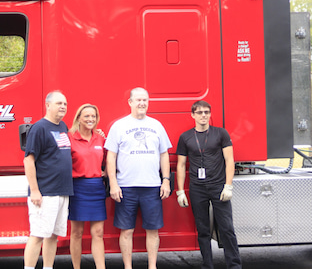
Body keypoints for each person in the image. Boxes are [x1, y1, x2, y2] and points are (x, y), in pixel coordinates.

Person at [104, 87, 172, 269]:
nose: (142, 103)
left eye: (145, 100)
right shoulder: (119, 126)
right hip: (126, 187)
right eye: (139, 100)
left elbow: (164, 154)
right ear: (130, 102)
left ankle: (152, 266)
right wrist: (113, 183)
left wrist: (165, 180)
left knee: (153, 230)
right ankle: (128, 266)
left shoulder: (157, 125)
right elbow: (111, 156)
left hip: (152, 187)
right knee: (126, 231)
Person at [175, 100, 241, 269]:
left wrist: (228, 186)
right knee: (203, 230)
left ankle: (234, 265)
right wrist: (180, 191)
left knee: (226, 228)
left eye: (206, 112)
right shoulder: (186, 137)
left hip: (219, 187)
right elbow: (181, 165)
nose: (203, 115)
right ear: (193, 115)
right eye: (199, 112)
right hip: (198, 189)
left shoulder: (221, 134)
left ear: (210, 114)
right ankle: (207, 265)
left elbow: (229, 160)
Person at [23, 91, 74, 269]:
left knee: (53, 235)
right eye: (59, 103)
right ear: (48, 105)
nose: (63, 107)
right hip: (45, 192)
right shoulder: (39, 128)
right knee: (37, 234)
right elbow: (28, 160)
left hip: (62, 191)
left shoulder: (62, 127)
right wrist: (35, 190)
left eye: (65, 104)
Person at [68, 103, 107, 269]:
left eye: (93, 116)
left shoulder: (101, 138)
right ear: (78, 118)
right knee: (76, 233)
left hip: (96, 187)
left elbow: (109, 161)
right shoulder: (70, 137)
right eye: (86, 116)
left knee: (98, 233)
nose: (90, 119)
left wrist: (106, 172)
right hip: (77, 188)